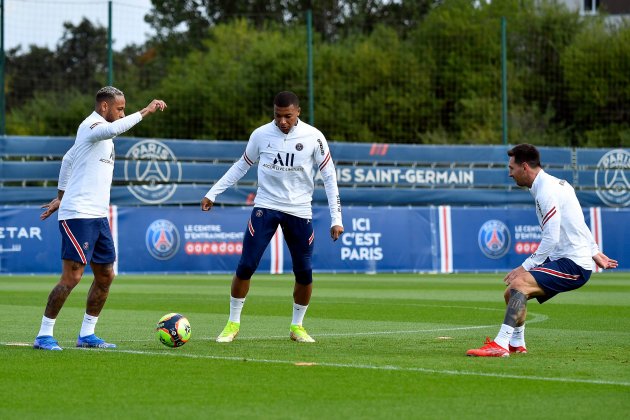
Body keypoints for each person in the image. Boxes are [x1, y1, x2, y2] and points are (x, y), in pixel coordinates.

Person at [201, 91, 344, 343]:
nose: (282, 121)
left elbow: (329, 178)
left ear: (298, 112)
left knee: (304, 272)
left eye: (288, 116)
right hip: (265, 207)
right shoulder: (260, 135)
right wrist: (213, 193)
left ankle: (297, 327)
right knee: (246, 266)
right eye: (278, 116)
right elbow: (241, 165)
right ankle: (232, 324)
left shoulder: (314, 137)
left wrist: (337, 218)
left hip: (299, 211)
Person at [34, 86, 167, 351]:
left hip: (97, 215)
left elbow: (68, 159)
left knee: (106, 275)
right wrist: (145, 111)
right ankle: (44, 334)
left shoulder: (100, 136)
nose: (122, 113)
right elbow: (112, 130)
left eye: (125, 109)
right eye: (119, 108)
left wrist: (60, 195)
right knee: (72, 277)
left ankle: (87, 334)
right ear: (104, 107)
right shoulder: (91, 125)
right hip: (78, 215)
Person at [467, 143, 618, 357]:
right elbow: (577, 221)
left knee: (519, 283)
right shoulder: (556, 185)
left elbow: (551, 237)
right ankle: (517, 343)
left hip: (573, 263)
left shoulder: (547, 191)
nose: (509, 174)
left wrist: (524, 266)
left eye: (511, 168)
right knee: (512, 293)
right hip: (571, 258)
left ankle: (500, 344)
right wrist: (594, 250)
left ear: (525, 167)